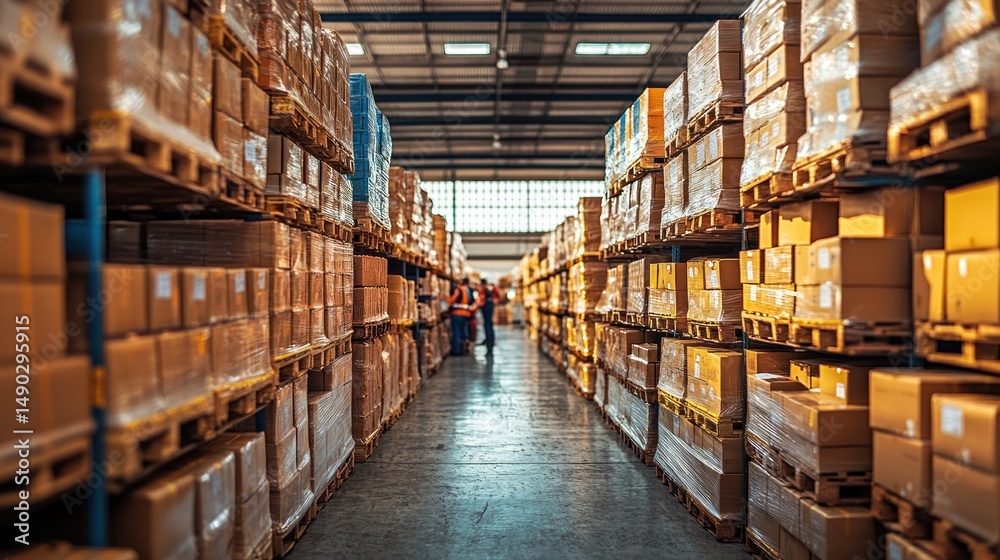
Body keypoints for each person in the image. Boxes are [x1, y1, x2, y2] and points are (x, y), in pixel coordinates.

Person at [446, 278, 476, 356]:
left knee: (456, 333)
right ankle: (464, 349)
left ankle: (456, 351)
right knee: (463, 332)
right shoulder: (468, 290)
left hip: (457, 314)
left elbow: (452, 300)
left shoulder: (458, 290)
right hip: (465, 314)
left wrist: (446, 299)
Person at [477, 278, 502, 355]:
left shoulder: (484, 289)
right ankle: (491, 340)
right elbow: (497, 297)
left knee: (487, 324)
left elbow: (481, 299)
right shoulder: (492, 288)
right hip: (490, 306)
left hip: (486, 307)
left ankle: (489, 341)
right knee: (489, 323)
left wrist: (479, 304)